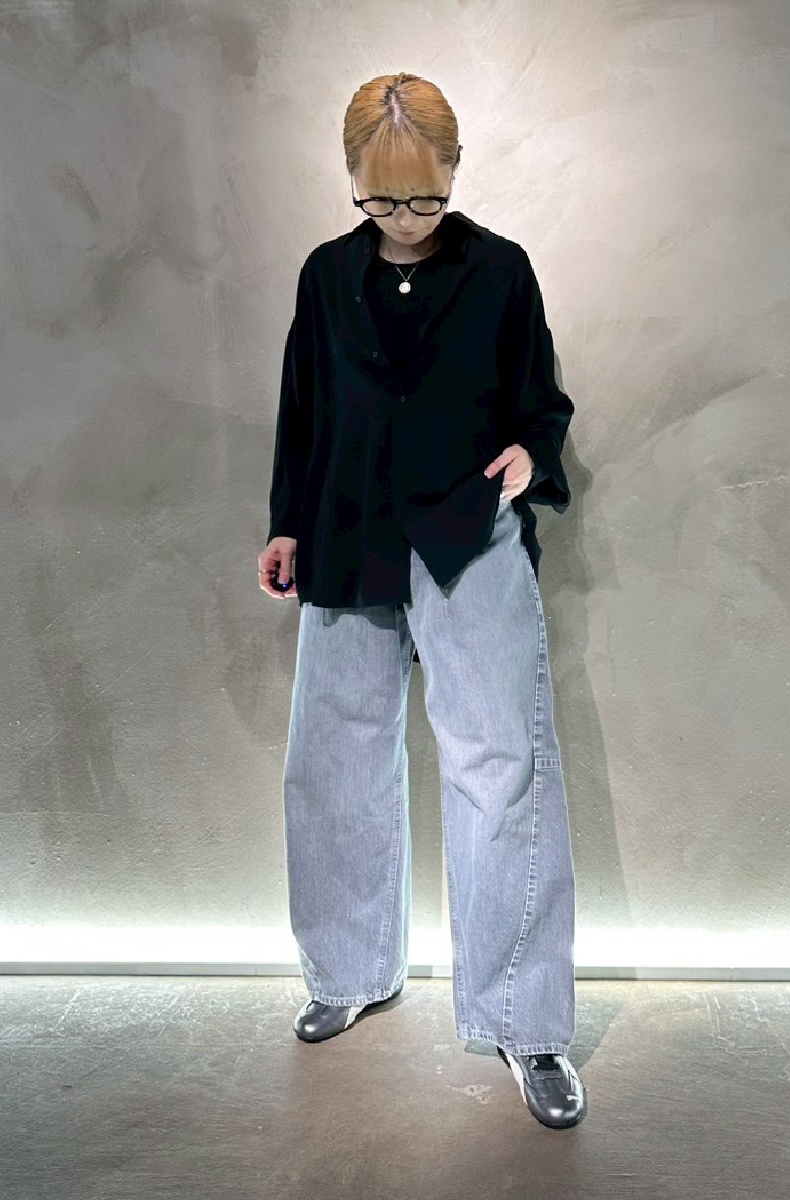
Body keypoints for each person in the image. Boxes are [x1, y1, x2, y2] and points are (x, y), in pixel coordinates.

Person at [258, 73, 586, 1130]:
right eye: (382, 200)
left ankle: (525, 1021)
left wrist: (529, 458)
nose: (405, 219)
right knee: (333, 760)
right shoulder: (325, 276)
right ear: (351, 180)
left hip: (468, 529)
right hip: (347, 530)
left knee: (501, 766)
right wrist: (285, 523)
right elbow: (304, 410)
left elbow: (540, 401)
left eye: (425, 199)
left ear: (453, 173)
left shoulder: (501, 271)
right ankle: (348, 970)